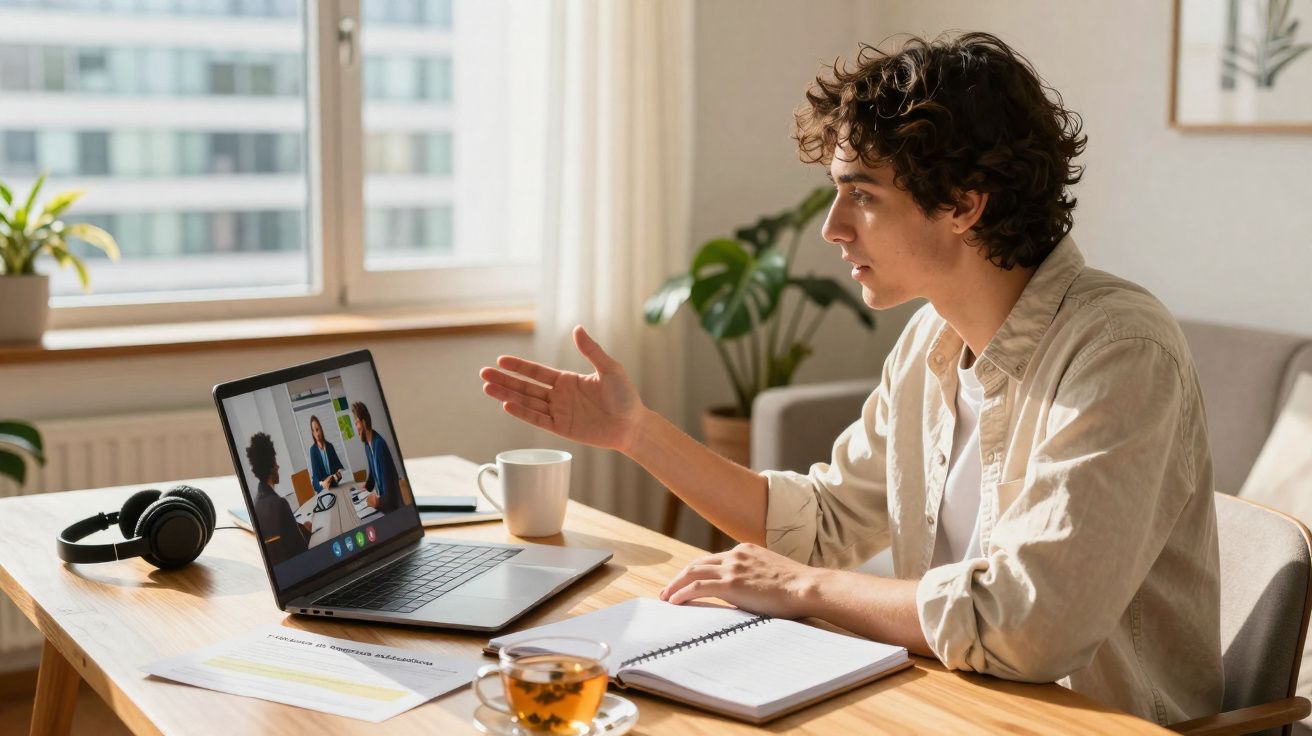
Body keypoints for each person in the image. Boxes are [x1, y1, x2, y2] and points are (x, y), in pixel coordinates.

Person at [478, 32, 1221, 725]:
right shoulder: (932, 337)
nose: (833, 228)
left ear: (964, 203)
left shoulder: (1120, 352)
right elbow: (822, 525)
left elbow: (1029, 627)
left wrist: (806, 590)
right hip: (950, 707)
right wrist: (635, 432)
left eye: (861, 194)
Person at [246, 432, 312, 566]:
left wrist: (301, 529)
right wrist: (307, 532)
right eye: (275, 461)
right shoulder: (280, 504)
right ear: (271, 466)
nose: (278, 466)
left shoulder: (256, 504)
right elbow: (302, 549)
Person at [352, 401, 401, 514]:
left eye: (356, 423)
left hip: (392, 508)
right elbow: (373, 473)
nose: (356, 428)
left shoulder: (379, 445)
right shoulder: (367, 445)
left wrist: (376, 502)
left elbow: (390, 495)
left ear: (363, 422)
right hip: (383, 502)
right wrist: (366, 487)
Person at [308, 414, 345, 492]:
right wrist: (322, 484)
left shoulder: (330, 446)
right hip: (323, 491)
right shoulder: (313, 451)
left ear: (321, 429)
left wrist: (337, 476)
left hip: (335, 488)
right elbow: (315, 477)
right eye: (313, 431)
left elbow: (338, 471)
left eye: (317, 429)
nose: (316, 434)